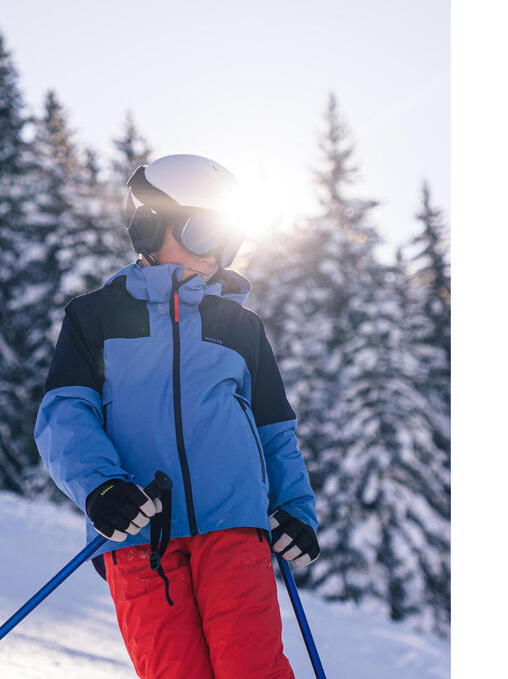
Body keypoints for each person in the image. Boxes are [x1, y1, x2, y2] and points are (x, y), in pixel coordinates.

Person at [35, 154, 319, 679]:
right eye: (200, 231)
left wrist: (296, 510)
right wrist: (101, 488)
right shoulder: (96, 316)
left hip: (235, 530)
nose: (215, 253)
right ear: (148, 227)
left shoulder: (240, 326)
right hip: (139, 533)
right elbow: (65, 415)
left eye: (226, 236)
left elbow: (275, 434)